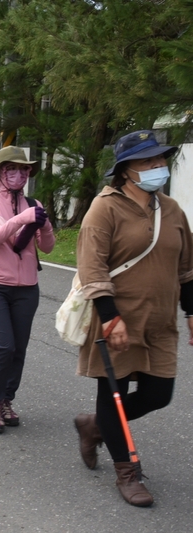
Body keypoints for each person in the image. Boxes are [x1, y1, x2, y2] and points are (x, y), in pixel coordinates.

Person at [73, 130, 193, 507]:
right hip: (118, 319)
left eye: (160, 160)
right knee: (115, 398)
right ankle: (127, 472)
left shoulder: (172, 210)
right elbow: (92, 269)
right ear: (125, 171)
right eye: (148, 161)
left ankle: (94, 427)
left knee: (160, 394)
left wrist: (191, 310)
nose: (159, 167)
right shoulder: (104, 208)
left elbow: (187, 268)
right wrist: (110, 318)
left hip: (160, 321)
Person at [0, 146, 54, 433]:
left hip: (27, 288)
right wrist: (23, 218)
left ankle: (6, 399)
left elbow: (47, 247)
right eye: (11, 169)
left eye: (23, 169)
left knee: (18, 349)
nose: (18, 174)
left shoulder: (35, 202)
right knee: (3, 346)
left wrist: (43, 225)